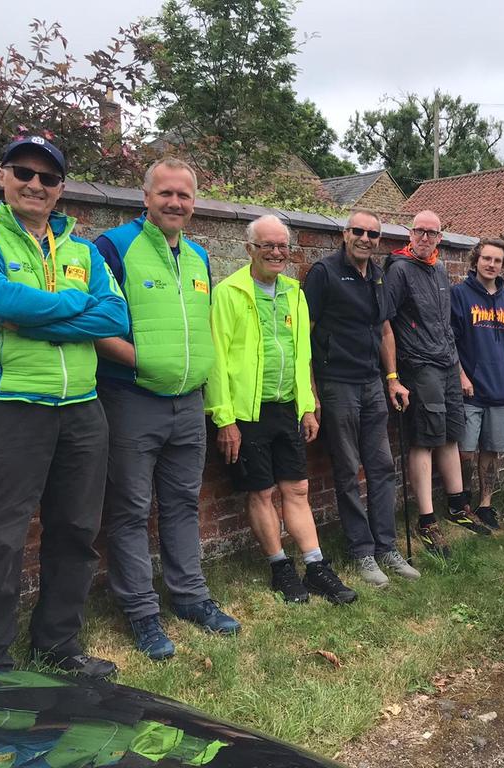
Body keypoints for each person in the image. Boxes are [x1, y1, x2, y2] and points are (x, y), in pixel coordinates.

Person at [0, 136, 129, 677]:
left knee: (77, 530)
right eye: (24, 172)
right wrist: (75, 308)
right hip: (7, 405)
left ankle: (58, 645)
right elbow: (1, 300)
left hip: (81, 408)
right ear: (1, 177)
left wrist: (40, 314)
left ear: (60, 190)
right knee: (0, 538)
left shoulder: (82, 252)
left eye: (48, 178)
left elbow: (116, 319)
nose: (36, 184)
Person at [94, 157, 240, 661]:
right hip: (132, 398)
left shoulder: (199, 256)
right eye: (166, 194)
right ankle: (141, 613)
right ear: (146, 196)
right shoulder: (112, 248)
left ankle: (191, 598)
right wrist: (146, 363)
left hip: (188, 404)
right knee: (131, 509)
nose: (175, 203)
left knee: (182, 504)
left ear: (194, 203)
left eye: (184, 195)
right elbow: (97, 324)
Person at [206, 214, 357, 605]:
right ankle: (280, 568)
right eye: (267, 245)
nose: (276, 252)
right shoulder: (229, 292)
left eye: (281, 246)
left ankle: (316, 565)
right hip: (245, 412)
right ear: (249, 249)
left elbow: (301, 354)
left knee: (298, 488)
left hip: (287, 407)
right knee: (261, 492)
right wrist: (224, 418)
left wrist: (307, 407)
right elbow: (217, 359)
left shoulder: (294, 292)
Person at [302, 209, 419, 587]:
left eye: (373, 233)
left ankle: (386, 546)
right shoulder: (324, 273)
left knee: (382, 466)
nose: (366, 238)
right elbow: (304, 334)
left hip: (372, 384)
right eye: (359, 231)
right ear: (345, 233)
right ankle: (362, 551)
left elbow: (385, 329)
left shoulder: (380, 274)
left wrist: (392, 378)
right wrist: (311, 391)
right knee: (348, 469)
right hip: (337, 383)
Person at [385, 210, 492, 557]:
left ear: (440, 238)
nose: (425, 238)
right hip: (419, 364)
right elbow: (385, 325)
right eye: (420, 231)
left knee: (450, 433)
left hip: (447, 363)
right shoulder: (399, 269)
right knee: (424, 439)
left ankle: (458, 505)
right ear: (410, 234)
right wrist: (394, 375)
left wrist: (459, 370)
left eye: (432, 233)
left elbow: (446, 328)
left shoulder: (440, 269)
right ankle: (426, 521)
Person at [450, 238, 504, 530]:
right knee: (466, 450)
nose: (491, 264)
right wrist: (461, 376)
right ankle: (462, 501)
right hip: (471, 389)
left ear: (503, 265)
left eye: (497, 260)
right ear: (475, 260)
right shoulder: (459, 294)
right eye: (486, 259)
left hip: (502, 389)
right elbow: (451, 340)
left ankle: (485, 505)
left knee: (492, 451)